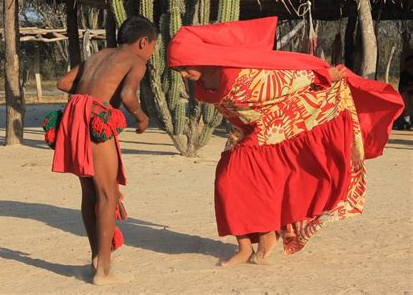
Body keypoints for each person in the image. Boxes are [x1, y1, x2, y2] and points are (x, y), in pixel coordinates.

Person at [167, 17, 404, 266]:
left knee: (234, 175)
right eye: (178, 71)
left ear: (199, 56)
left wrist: (322, 77)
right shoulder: (205, 80)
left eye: (184, 67)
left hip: (278, 119)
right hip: (248, 127)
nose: (183, 74)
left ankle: (267, 233)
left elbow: (286, 81)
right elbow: (236, 112)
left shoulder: (239, 74)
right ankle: (248, 245)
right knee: (227, 178)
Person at [50, 15, 157, 285]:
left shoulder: (99, 55)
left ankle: (97, 258)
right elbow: (127, 96)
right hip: (96, 122)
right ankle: (104, 271)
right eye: (154, 46)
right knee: (108, 196)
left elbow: (63, 83)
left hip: (74, 120)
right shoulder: (136, 61)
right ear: (144, 42)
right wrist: (142, 118)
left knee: (89, 193)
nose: (152, 52)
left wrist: (88, 96)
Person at [398, 55, 413, 130]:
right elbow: (401, 89)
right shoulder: (404, 75)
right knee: (403, 95)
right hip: (407, 97)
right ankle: (406, 121)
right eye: (409, 65)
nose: (411, 67)